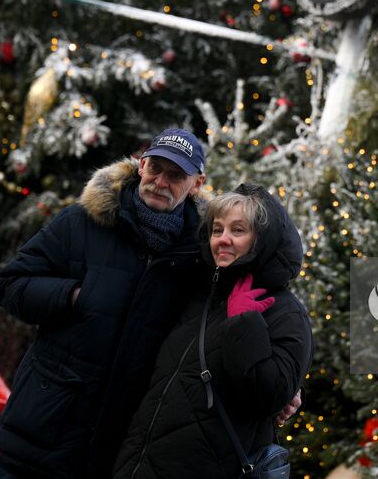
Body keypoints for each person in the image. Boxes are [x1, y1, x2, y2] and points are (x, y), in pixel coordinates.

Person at [0, 128, 214, 479]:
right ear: (141, 166)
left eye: (176, 175)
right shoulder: (84, 222)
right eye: (155, 168)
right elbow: (10, 283)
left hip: (114, 451)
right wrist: (72, 296)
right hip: (41, 433)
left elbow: (216, 332)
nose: (160, 182)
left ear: (197, 184)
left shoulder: (197, 256)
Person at [111, 183, 314, 479]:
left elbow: (270, 395)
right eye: (217, 230)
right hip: (139, 464)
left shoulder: (285, 312)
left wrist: (245, 321)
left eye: (238, 230)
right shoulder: (198, 294)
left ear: (262, 240)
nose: (223, 240)